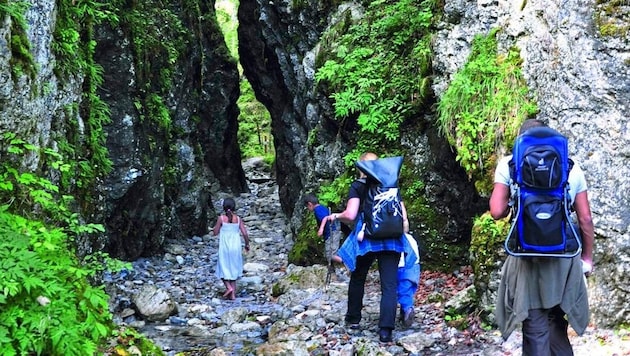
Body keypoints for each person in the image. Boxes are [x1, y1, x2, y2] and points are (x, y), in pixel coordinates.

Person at [489, 119, 595, 355]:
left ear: (521, 141)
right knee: (557, 320)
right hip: (564, 256)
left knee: (535, 322)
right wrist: (587, 258)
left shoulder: (509, 165)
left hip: (527, 254)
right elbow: (585, 219)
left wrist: (513, 205)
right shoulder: (570, 167)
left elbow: (496, 211)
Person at [318, 152, 406, 343]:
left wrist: (335, 216)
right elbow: (401, 212)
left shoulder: (358, 186)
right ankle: (385, 331)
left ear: (360, 168)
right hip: (391, 237)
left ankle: (353, 319)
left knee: (358, 277)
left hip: (366, 238)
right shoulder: (390, 182)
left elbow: (350, 215)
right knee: (389, 285)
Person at [212, 197, 250, 300]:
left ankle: (229, 288)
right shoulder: (238, 219)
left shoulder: (221, 219)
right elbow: (245, 233)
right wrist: (247, 244)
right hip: (235, 247)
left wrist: (214, 228)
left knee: (222, 268)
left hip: (225, 247)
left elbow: (215, 232)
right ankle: (233, 296)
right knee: (233, 268)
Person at [304, 193, 343, 265]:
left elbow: (325, 217)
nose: (308, 209)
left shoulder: (317, 210)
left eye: (307, 207)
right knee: (329, 254)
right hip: (332, 232)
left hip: (331, 232)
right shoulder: (321, 207)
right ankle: (332, 271)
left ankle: (346, 262)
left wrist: (321, 229)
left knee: (331, 255)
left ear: (310, 204)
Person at [398, 232, 420, 328]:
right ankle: (403, 314)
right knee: (407, 291)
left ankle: (407, 309)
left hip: (403, 268)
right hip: (415, 267)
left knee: (401, 292)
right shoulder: (411, 238)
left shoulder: (396, 238)